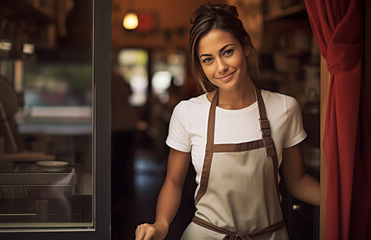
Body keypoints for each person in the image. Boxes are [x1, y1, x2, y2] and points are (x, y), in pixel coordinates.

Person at [135, 3, 320, 240]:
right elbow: (173, 182)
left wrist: (344, 201)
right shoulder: (188, 112)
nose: (221, 67)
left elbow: (298, 181)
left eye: (227, 52)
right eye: (208, 59)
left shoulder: (284, 108)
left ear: (245, 46)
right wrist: (161, 225)